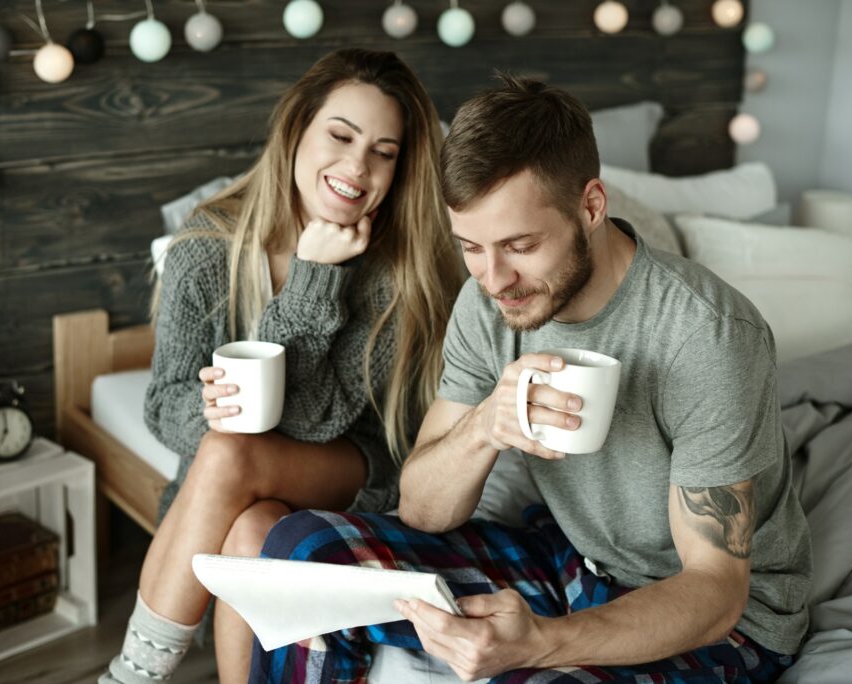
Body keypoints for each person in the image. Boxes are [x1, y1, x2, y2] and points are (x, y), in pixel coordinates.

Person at [249, 77, 812, 683]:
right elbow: (420, 509)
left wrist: (541, 643)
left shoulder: (706, 334)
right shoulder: (484, 304)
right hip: (580, 563)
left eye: (520, 245)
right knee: (300, 553)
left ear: (591, 206)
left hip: (724, 620)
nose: (494, 279)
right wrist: (484, 426)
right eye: (471, 246)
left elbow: (714, 591)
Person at [100, 49, 462, 684]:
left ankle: (130, 676)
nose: (357, 166)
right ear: (298, 131)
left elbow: (311, 422)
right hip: (230, 485)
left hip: (360, 467)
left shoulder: (391, 273)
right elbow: (165, 402)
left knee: (229, 454)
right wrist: (210, 411)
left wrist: (313, 281)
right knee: (251, 528)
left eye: (384, 150)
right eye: (341, 135)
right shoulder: (207, 246)